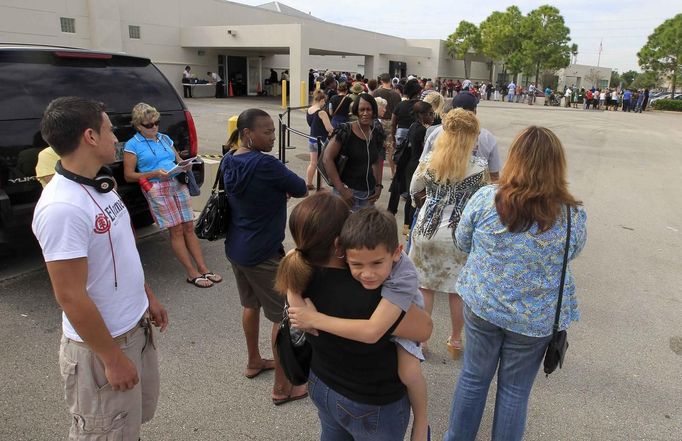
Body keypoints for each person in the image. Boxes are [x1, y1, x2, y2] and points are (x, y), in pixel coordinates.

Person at [32, 96, 168, 440]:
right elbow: (70, 296)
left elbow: (121, 252)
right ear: (90, 137)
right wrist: (111, 358)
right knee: (104, 432)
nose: (116, 138)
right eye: (110, 130)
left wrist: (147, 296)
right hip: (104, 345)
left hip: (135, 327)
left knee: (128, 426)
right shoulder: (62, 207)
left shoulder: (100, 185)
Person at [444, 126, 587, 441]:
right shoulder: (571, 214)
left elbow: (462, 242)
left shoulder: (486, 198)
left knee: (473, 379)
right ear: (557, 165)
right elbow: (573, 251)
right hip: (534, 319)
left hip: (484, 304)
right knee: (515, 392)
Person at [276, 193, 433, 440]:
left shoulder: (298, 270)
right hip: (370, 401)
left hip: (321, 383)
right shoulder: (374, 292)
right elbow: (424, 330)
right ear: (340, 244)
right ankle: (422, 425)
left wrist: (305, 312)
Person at [222, 108, 308, 405]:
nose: (273, 136)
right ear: (248, 134)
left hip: (236, 248)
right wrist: (278, 190)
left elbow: (248, 195)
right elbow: (299, 187)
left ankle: (254, 361)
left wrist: (273, 193)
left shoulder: (229, 159)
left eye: (273, 131)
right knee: (283, 317)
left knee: (250, 304)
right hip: (263, 252)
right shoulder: (266, 165)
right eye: (267, 132)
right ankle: (283, 387)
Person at [409, 108, 488, 358]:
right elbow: (482, 200)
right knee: (457, 291)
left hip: (426, 231)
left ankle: (421, 341)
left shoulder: (429, 162)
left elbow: (414, 189)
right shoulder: (478, 167)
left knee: (425, 287)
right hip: (459, 236)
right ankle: (455, 340)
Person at [123, 102, 221, 288]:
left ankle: (203, 268)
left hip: (177, 182)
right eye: (149, 125)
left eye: (156, 123)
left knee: (188, 227)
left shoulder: (165, 139)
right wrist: (154, 173)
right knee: (175, 230)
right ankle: (192, 273)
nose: (154, 127)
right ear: (137, 126)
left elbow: (178, 160)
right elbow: (129, 175)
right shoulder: (132, 145)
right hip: (157, 188)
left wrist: (187, 165)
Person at [322, 93, 384, 212]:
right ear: (356, 111)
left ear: (374, 111)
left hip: (368, 195)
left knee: (363, 229)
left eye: (368, 109)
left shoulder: (376, 133)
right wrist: (341, 189)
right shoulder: (345, 131)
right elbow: (327, 158)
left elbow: (377, 160)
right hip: (347, 195)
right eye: (362, 109)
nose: (365, 113)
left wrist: (378, 185)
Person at [421, 92, 502, 182]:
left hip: (440, 186)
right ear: (475, 111)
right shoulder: (488, 138)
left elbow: (422, 168)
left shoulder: (437, 132)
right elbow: (494, 176)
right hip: (476, 192)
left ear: (452, 109)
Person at [388, 101, 434, 237]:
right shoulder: (422, 130)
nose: (432, 117)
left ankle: (406, 227)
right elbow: (423, 150)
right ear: (421, 115)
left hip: (410, 163)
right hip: (416, 165)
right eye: (430, 114)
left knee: (410, 196)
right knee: (413, 197)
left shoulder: (413, 126)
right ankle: (408, 227)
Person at [373, 73, 402, 175]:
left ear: (381, 81)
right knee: (390, 148)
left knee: (377, 147)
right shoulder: (396, 95)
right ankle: (393, 172)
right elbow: (399, 109)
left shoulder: (376, 92)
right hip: (392, 122)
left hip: (379, 121)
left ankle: (375, 171)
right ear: (390, 81)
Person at [306, 90, 334, 190]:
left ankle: (309, 183)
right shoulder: (322, 113)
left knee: (312, 163)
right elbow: (329, 128)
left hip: (312, 139)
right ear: (321, 100)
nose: (324, 104)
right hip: (322, 141)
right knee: (320, 165)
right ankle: (319, 185)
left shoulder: (309, 110)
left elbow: (310, 124)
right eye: (324, 102)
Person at [391, 79, 422, 148]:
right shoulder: (422, 105)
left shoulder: (400, 105)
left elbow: (393, 123)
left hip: (401, 133)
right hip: (417, 133)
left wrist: (393, 139)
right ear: (419, 92)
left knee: (401, 155)